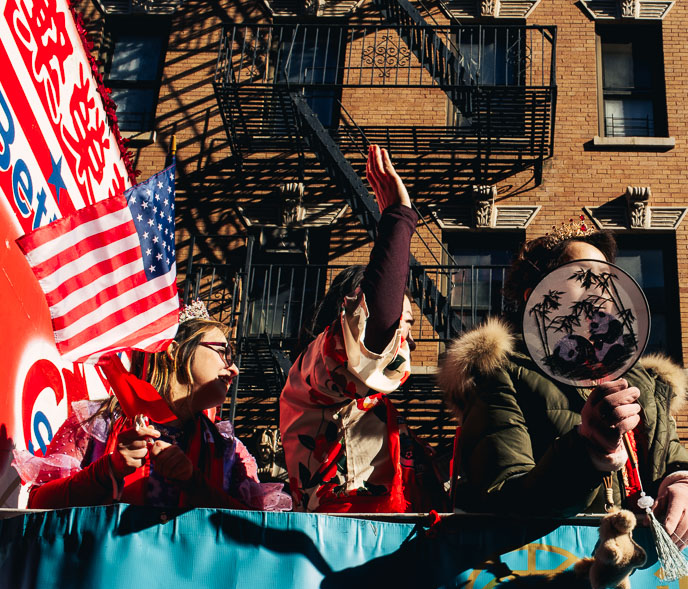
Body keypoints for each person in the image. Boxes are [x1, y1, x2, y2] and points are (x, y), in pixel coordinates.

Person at [439, 228, 688, 547]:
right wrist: (586, 452)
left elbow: (671, 458)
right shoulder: (501, 372)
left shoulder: (642, 381)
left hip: (642, 580)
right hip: (554, 573)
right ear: (538, 297)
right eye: (583, 276)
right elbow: (502, 496)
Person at [280, 145, 442, 512]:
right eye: (405, 323)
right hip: (340, 543)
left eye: (409, 327)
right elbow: (376, 326)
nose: (410, 340)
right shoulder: (311, 376)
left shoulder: (371, 408)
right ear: (348, 313)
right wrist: (399, 220)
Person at [16, 312, 291, 511]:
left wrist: (194, 483)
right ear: (175, 350)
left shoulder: (231, 452)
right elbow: (39, 504)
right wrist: (109, 468)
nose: (234, 369)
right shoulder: (96, 422)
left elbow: (251, 533)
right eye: (224, 352)